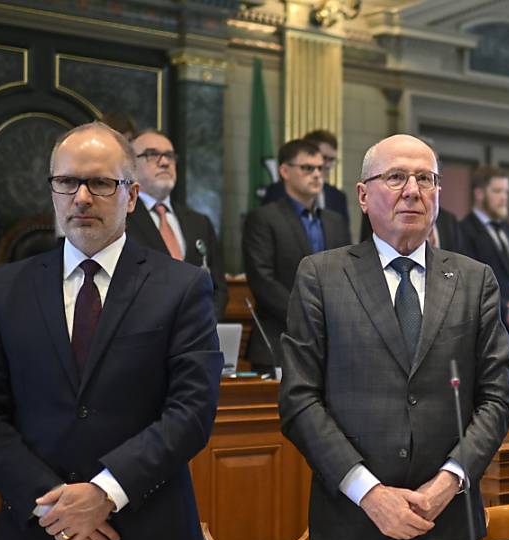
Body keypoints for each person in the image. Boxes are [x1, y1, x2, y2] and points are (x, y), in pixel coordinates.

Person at [278, 134, 509, 540]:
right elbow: (298, 400)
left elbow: (497, 398)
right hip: (354, 524)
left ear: (438, 194)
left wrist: (449, 482)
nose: (412, 190)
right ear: (364, 196)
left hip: (449, 523)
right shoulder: (321, 276)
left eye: (425, 178)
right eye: (396, 177)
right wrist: (369, 493)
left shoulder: (474, 279)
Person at [0, 121, 221, 540]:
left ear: (132, 196)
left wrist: (104, 492)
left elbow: (191, 412)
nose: (81, 197)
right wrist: (52, 508)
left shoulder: (182, 286)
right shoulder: (4, 288)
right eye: (67, 182)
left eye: (100, 182)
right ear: (53, 190)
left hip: (144, 537)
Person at [243, 139, 351, 372]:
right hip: (278, 342)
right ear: (284, 171)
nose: (316, 175)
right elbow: (263, 280)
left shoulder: (335, 222)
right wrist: (309, 315)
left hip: (331, 346)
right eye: (307, 168)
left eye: (320, 168)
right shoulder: (263, 218)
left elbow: (348, 274)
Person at [126, 129, 229, 319]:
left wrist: (204, 325)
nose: (164, 162)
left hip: (196, 336)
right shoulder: (122, 219)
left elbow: (218, 287)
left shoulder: (199, 222)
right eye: (152, 155)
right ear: (131, 166)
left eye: (169, 156)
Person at [458, 166, 509, 355]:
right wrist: (508, 313)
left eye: (506, 192)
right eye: (497, 191)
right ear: (479, 193)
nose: (504, 198)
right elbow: (470, 284)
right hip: (486, 337)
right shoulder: (462, 231)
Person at [262, 129, 349, 220]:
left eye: (331, 160)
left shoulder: (338, 197)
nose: (326, 165)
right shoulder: (276, 192)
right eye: (324, 157)